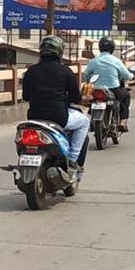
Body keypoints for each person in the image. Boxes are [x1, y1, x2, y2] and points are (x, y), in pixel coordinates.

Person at [22, 35, 90, 174]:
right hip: (59, 118)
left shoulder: (31, 71)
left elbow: (26, 96)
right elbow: (75, 97)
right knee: (84, 121)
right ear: (59, 52)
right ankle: (72, 159)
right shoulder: (65, 71)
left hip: (34, 118)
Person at [83, 36, 134, 132]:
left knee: (91, 100)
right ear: (112, 48)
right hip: (114, 89)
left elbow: (86, 76)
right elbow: (126, 75)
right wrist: (132, 75)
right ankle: (122, 122)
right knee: (126, 95)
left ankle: (91, 119)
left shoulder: (93, 61)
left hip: (96, 89)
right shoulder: (116, 61)